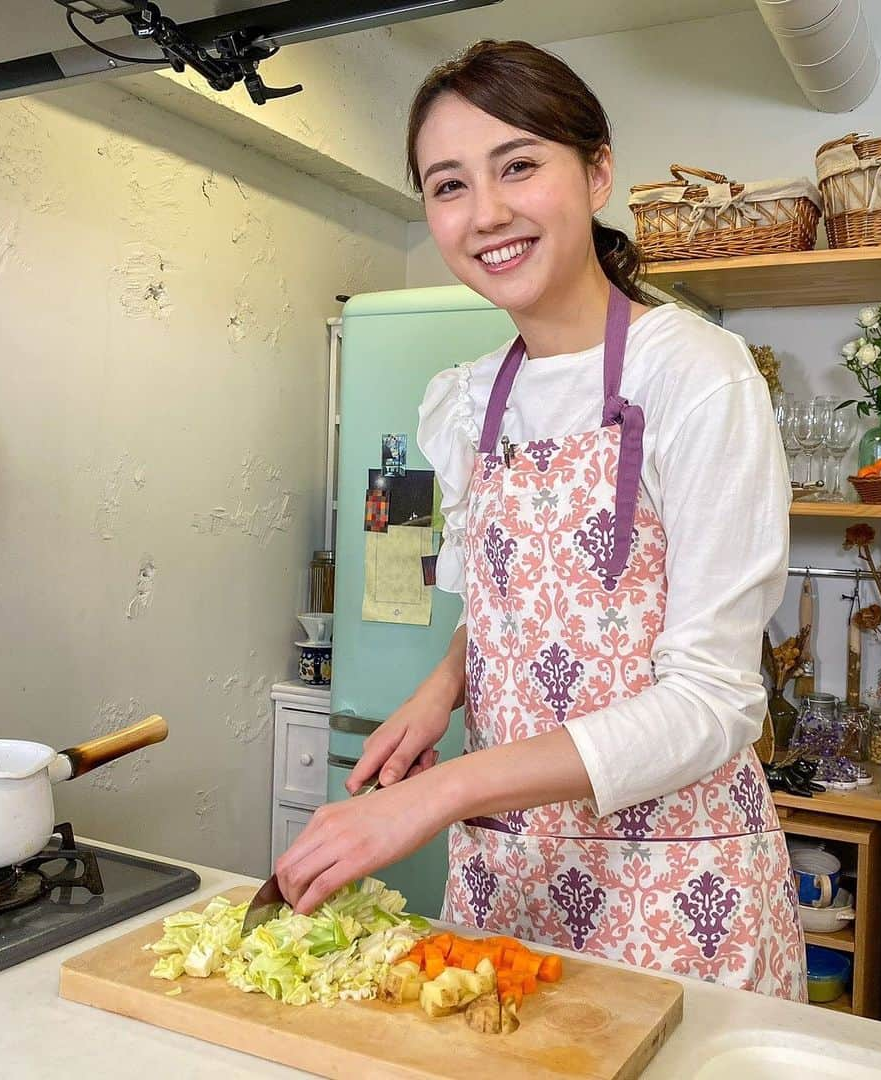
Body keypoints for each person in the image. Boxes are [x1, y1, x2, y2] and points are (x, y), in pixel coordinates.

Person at [276, 39, 805, 1000]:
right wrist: (446, 686)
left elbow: (713, 703)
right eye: (448, 185)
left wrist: (442, 793)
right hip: (514, 879)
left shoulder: (695, 375)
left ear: (597, 170)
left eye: (518, 166)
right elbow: (517, 607)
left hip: (674, 885)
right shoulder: (471, 398)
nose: (486, 213)